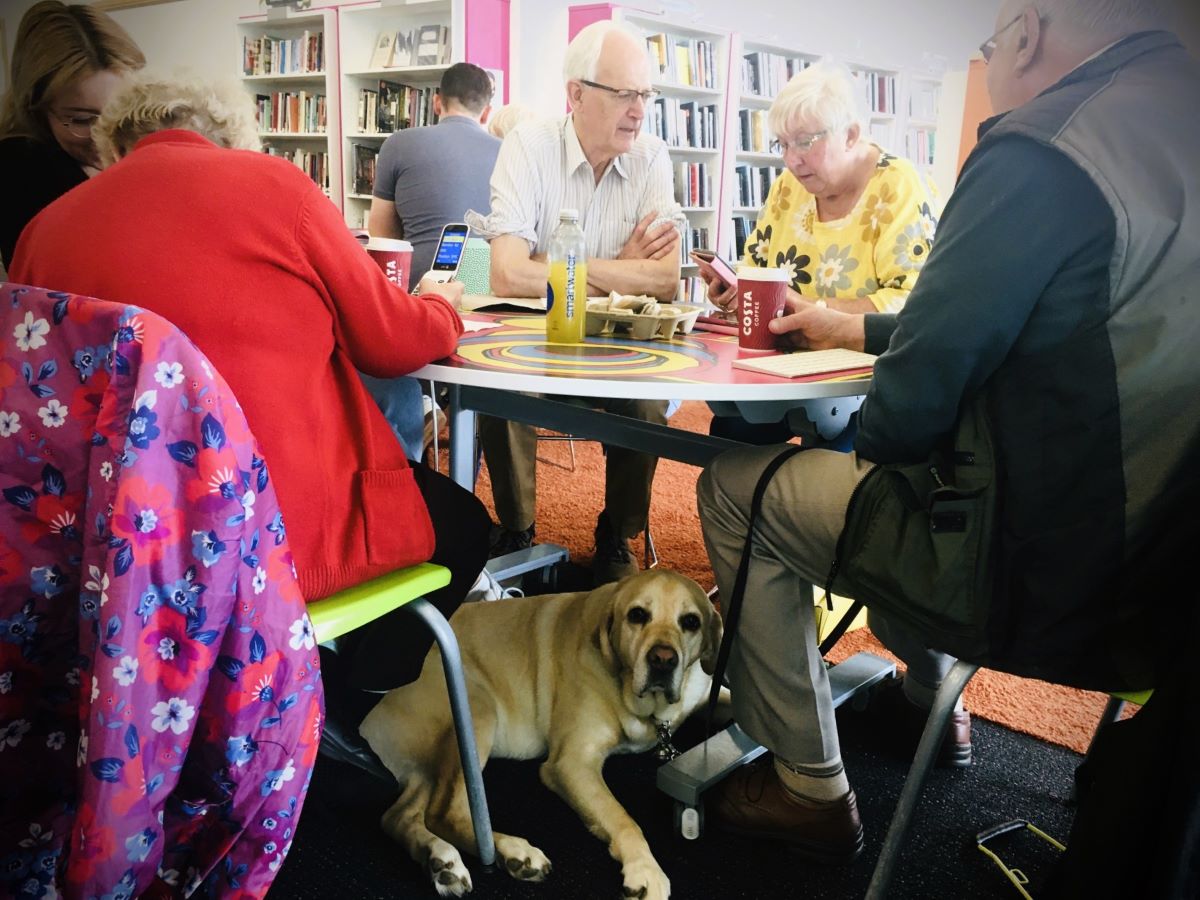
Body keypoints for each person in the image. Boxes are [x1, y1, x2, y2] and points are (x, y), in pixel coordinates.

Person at [696, 0, 1198, 865]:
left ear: (1028, 31)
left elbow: (902, 420)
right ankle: (927, 700)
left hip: (1037, 573)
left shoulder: (1038, 151)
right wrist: (862, 333)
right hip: (1168, 577)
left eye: (989, 39)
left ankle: (808, 783)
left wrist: (892, 386)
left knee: (737, 487)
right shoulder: (1175, 116)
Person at [8, 74, 491, 704]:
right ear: (234, 140)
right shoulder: (279, 190)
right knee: (465, 527)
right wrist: (441, 306)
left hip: (108, 551)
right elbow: (391, 344)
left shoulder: (44, 231)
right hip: (270, 532)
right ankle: (337, 700)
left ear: (114, 147)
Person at [466, 20, 688, 583]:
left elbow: (665, 282)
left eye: (646, 94)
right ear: (576, 94)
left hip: (617, 342)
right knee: (501, 386)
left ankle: (618, 532)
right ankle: (517, 528)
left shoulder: (653, 158)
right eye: (624, 94)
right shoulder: (528, 146)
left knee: (647, 401)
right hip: (537, 337)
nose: (639, 110)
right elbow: (508, 273)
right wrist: (620, 269)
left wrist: (559, 267)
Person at [696, 60, 940, 447]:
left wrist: (816, 309)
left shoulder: (898, 186)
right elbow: (756, 267)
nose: (792, 159)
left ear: (851, 135)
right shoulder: (788, 187)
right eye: (783, 144)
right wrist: (733, 291)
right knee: (730, 437)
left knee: (832, 462)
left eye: (806, 142)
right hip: (781, 363)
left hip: (863, 378)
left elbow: (913, 305)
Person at [361, 62, 500, 463]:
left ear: (436, 102)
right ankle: (463, 431)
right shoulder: (508, 151)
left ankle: (421, 408)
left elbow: (383, 239)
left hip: (421, 292)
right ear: (487, 112)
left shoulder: (397, 145)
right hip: (487, 295)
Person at [0, 0, 145, 270]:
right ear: (37, 110)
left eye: (120, 110)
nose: (107, 133)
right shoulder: (20, 164)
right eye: (81, 119)